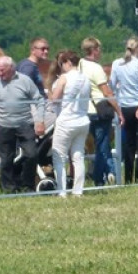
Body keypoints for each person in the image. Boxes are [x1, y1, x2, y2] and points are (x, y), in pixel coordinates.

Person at [0, 56, 45, 193]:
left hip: (25, 124)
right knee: (6, 158)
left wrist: (39, 121)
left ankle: (27, 185)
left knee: (31, 154)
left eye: (2, 70)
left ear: (11, 68)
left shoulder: (25, 81)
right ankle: (9, 187)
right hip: (4, 125)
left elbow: (39, 100)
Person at [48, 50, 92, 196]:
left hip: (66, 121)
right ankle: (78, 191)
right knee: (78, 157)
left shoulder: (64, 78)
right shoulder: (85, 78)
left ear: (67, 62)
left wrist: (49, 93)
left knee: (59, 157)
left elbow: (54, 98)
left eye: (62, 63)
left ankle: (62, 191)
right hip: (82, 120)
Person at [79, 37, 120, 186]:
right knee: (102, 146)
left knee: (97, 146)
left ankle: (110, 172)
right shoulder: (97, 68)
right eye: (99, 49)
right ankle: (99, 178)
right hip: (100, 111)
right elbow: (107, 92)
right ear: (95, 50)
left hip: (85, 110)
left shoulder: (80, 65)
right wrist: (119, 111)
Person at [110, 37, 138, 183]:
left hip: (125, 107)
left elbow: (112, 86)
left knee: (129, 145)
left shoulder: (117, 64)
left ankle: (128, 177)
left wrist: (118, 105)